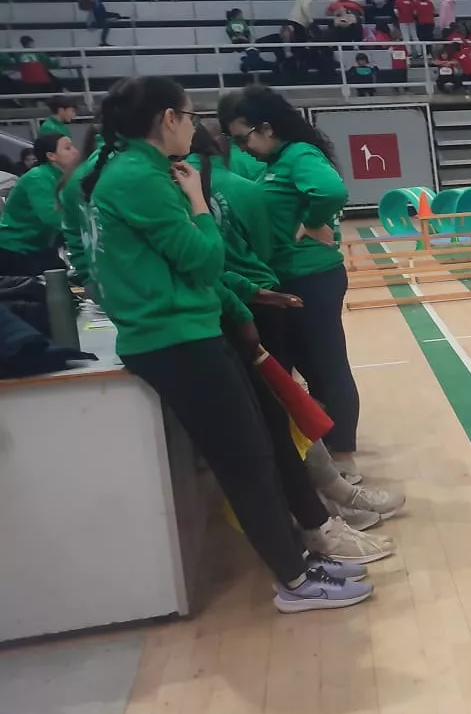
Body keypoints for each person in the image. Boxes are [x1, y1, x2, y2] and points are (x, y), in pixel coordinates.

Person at [78, 77, 370, 612]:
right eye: (190, 117)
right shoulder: (139, 179)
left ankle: (301, 559)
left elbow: (196, 273)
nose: (196, 128)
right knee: (245, 458)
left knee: (260, 445)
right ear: (168, 119)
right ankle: (294, 582)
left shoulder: (135, 172)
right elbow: (204, 259)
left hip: (190, 330)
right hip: (174, 339)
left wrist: (239, 300)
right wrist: (197, 202)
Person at [225, 86, 364, 474]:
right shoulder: (278, 161)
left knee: (327, 363)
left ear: (266, 128)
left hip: (313, 277)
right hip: (292, 277)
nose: (243, 148)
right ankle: (322, 452)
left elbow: (331, 189)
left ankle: (344, 456)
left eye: (243, 138)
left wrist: (315, 221)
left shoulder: (299, 155)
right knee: (309, 364)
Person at [0, 129, 79, 275]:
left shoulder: (64, 176)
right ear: (51, 156)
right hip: (14, 248)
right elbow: (53, 216)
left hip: (39, 246)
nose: (75, 151)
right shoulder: (38, 178)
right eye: (68, 148)